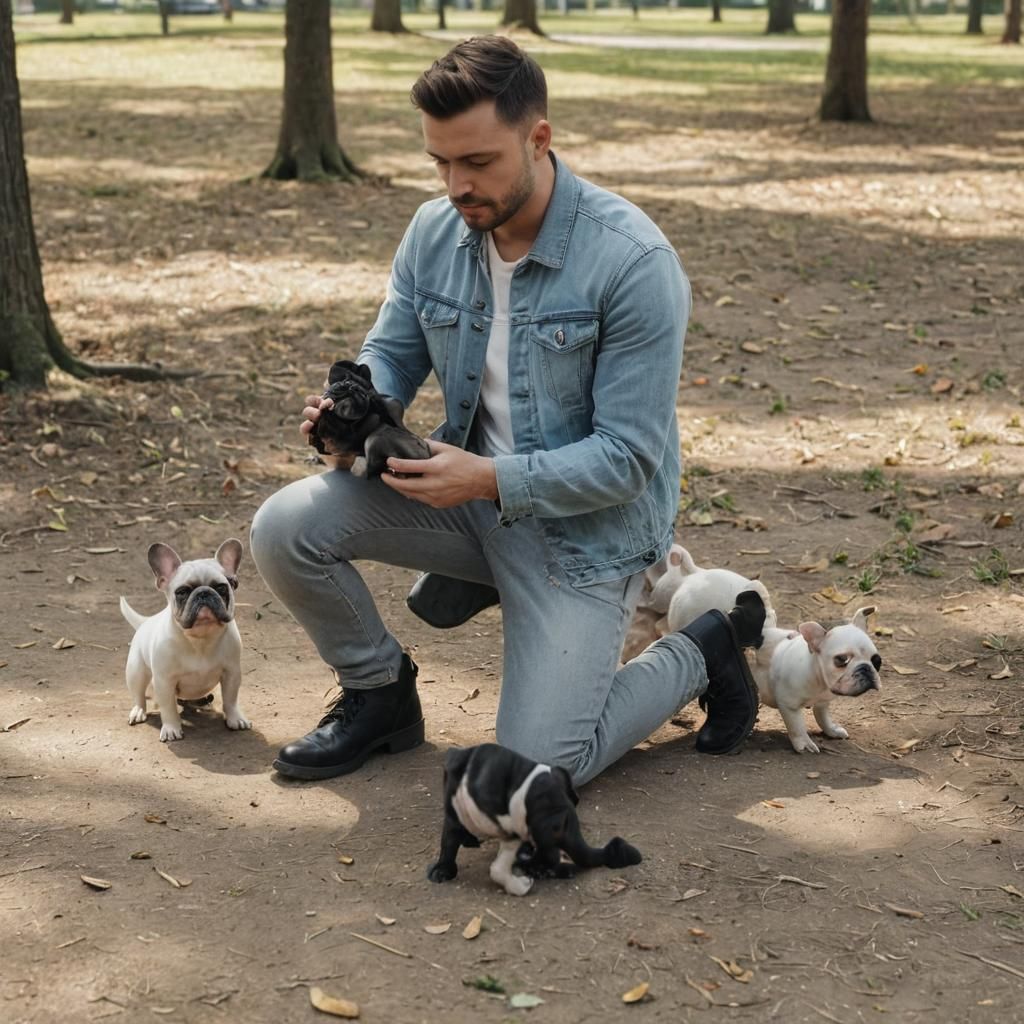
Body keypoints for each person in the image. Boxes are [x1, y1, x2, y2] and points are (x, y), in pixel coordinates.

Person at [250, 35, 763, 785]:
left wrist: (488, 478)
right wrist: (350, 414)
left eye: (479, 162)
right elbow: (390, 355)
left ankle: (703, 650)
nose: (456, 185)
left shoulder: (633, 263)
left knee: (540, 766)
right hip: (464, 498)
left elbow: (627, 458)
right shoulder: (433, 230)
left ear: (539, 139)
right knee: (284, 528)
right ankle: (378, 694)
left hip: (585, 535)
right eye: (441, 162)